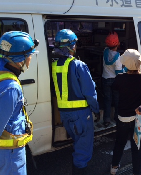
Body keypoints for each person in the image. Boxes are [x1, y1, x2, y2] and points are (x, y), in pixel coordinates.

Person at [0, 31, 39, 175]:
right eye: (29, 56)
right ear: (20, 60)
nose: (30, 59)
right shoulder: (10, 87)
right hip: (9, 155)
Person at [51, 29, 99, 175]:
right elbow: (90, 92)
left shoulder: (54, 65)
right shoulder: (78, 65)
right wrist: (96, 110)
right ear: (71, 46)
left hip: (65, 115)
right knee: (83, 152)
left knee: (78, 144)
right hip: (81, 115)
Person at [110, 49, 141, 175]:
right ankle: (138, 172)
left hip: (123, 117)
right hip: (137, 117)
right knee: (137, 146)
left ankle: (114, 168)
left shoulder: (120, 78)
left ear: (125, 63)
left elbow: (114, 88)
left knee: (119, 143)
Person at [102, 32, 123, 127]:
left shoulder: (105, 51)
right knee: (117, 100)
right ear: (118, 44)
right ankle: (117, 118)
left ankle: (106, 119)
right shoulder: (118, 57)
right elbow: (118, 72)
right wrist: (126, 69)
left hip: (105, 79)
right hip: (115, 81)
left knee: (107, 100)